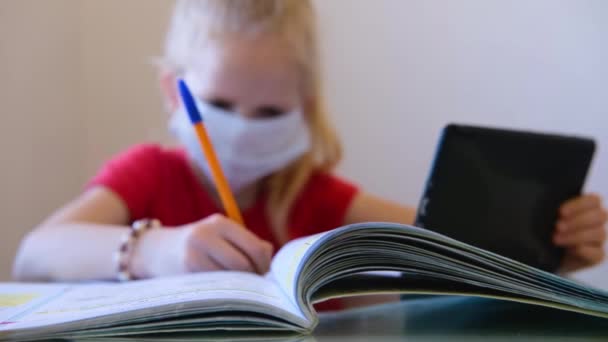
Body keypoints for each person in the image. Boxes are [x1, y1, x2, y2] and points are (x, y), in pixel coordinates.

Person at [12, 0, 607, 311]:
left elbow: (449, 248)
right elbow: (34, 255)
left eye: (270, 112)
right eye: (218, 103)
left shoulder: (317, 196)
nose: (243, 128)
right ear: (175, 92)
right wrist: (158, 248)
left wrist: (548, 252)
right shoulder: (149, 173)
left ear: (306, 107)